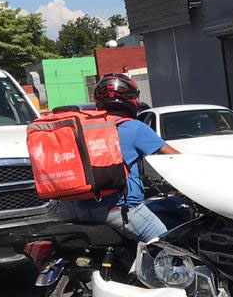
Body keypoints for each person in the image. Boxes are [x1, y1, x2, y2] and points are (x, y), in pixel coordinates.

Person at [71, 74, 180, 241]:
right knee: (168, 242)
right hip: (121, 209)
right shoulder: (135, 127)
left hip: (82, 209)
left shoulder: (85, 130)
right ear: (132, 99)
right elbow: (176, 158)